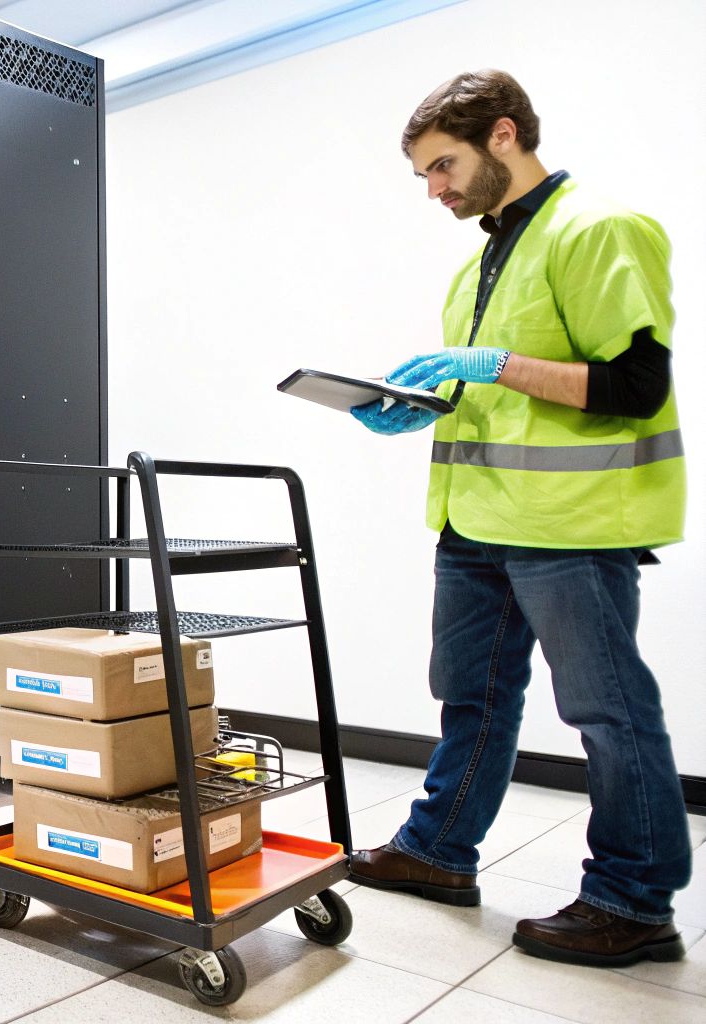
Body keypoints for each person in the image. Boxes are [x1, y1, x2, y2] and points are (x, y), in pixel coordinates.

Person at [346, 70, 689, 968]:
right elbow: (486, 390)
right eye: (424, 174)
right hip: (476, 520)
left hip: (571, 525)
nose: (435, 190)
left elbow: (633, 386)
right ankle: (437, 851)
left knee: (609, 714)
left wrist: (494, 365)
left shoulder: (599, 229)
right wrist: (415, 404)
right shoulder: (475, 264)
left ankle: (633, 899)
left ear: (504, 137)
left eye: (443, 166)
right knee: (472, 696)